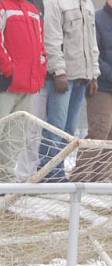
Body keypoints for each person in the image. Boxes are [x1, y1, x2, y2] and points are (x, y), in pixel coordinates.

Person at [0, 0, 46, 182]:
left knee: (16, 136)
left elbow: (40, 44)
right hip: (4, 83)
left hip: (29, 85)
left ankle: (7, 174)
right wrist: (9, 70)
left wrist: (40, 68)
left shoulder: (33, 10)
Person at [38, 0, 101, 182]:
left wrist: (94, 73)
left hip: (83, 76)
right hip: (63, 76)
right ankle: (48, 171)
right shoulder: (55, 3)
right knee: (55, 126)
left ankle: (58, 170)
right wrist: (58, 71)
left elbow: (92, 44)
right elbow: (51, 39)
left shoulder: (87, 4)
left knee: (70, 129)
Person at [73, 0, 112, 182]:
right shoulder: (97, 19)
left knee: (110, 135)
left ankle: (102, 178)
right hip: (101, 85)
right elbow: (93, 53)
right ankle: (81, 176)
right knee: (99, 130)